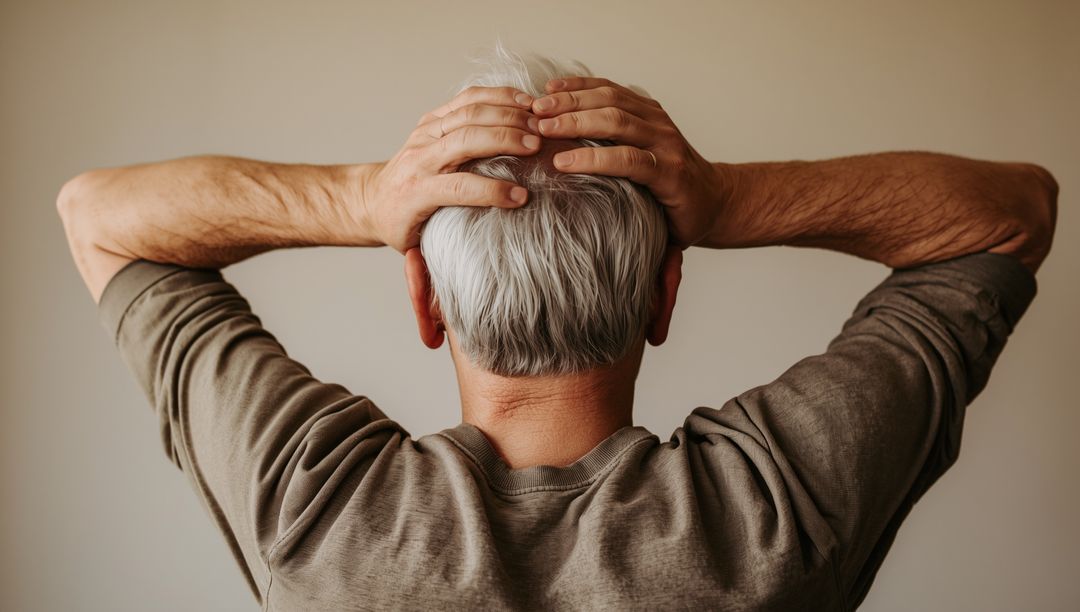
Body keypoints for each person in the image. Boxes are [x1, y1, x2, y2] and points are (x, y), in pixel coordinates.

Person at [57, 49, 1057, 611]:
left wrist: (367, 199)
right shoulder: (772, 517)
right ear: (665, 298)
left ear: (425, 301)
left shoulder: (320, 514)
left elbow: (97, 216)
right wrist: (722, 198)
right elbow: (1012, 215)